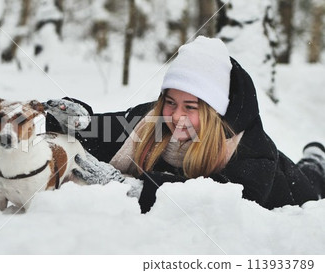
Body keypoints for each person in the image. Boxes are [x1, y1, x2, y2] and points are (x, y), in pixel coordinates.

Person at [44, 36, 325, 213]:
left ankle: (316, 161)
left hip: (291, 186)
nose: (176, 115)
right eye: (170, 101)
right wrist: (73, 121)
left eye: (190, 107)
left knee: (311, 177)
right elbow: (103, 132)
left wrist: (129, 188)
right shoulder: (154, 121)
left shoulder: (250, 151)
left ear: (214, 110)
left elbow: (216, 202)